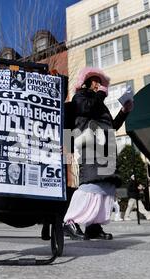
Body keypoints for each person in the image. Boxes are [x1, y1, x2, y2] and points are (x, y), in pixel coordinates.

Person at [62, 67, 134, 240]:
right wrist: (100, 94)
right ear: (86, 82)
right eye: (95, 80)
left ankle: (93, 226)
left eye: (100, 82)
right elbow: (86, 109)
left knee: (107, 186)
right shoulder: (80, 97)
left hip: (106, 145)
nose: (98, 84)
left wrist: (124, 111)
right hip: (90, 143)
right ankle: (69, 221)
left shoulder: (99, 103)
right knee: (91, 183)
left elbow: (112, 125)